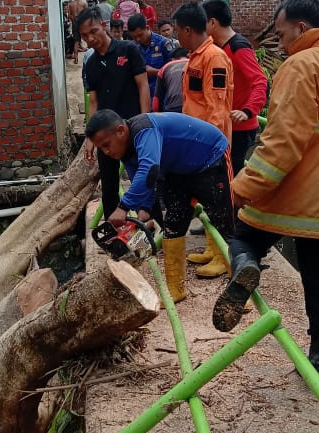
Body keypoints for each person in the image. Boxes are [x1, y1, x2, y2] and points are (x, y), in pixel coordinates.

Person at [213, 0, 319, 391]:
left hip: (293, 192)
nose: (282, 43)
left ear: (302, 28)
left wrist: (242, 188)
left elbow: (284, 140)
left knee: (240, 234)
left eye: (284, 34)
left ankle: (245, 266)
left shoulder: (302, 64)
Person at [85, 109, 234, 303]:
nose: (107, 152)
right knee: (173, 224)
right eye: (101, 149)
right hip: (178, 169)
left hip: (210, 158)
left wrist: (123, 206)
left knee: (224, 222)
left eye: (106, 145)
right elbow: (145, 178)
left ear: (120, 130)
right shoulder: (125, 149)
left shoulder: (143, 130)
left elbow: (149, 168)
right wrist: (143, 211)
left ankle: (240, 294)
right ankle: (175, 290)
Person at [172, 0, 234, 278]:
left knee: (220, 203)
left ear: (187, 29)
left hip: (210, 147)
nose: (175, 36)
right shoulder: (196, 57)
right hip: (195, 144)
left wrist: (210, 148)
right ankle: (212, 248)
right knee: (205, 201)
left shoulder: (214, 58)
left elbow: (217, 107)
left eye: (177, 30)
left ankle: (224, 256)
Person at [79, 6, 150, 222]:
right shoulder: (90, 64)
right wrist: (90, 138)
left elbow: (143, 86)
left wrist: (146, 120)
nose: (90, 38)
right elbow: (93, 102)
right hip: (105, 133)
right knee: (109, 183)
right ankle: (112, 232)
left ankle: (146, 226)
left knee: (142, 176)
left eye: (93, 31)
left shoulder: (128, 50)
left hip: (132, 127)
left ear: (103, 25)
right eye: (84, 36)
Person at [204, 0, 269, 176]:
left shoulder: (238, 48)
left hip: (240, 127)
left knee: (231, 176)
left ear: (212, 22)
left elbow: (260, 81)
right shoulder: (217, 48)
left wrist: (247, 111)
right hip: (226, 125)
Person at [127, 13, 173, 99]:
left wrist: (156, 72)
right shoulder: (132, 47)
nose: (138, 39)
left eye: (140, 35)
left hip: (161, 94)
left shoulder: (163, 43)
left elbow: (174, 71)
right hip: (140, 95)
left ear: (148, 28)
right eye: (134, 37)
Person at [153, 47, 189, 113]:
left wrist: (158, 115)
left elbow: (157, 99)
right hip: (193, 108)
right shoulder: (195, 63)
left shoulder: (165, 67)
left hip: (173, 108)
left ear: (172, 59)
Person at [66, 0, 87, 64]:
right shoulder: (84, 4)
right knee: (88, 38)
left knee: (76, 41)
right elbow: (86, 14)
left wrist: (74, 20)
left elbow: (69, 16)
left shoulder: (71, 4)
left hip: (75, 23)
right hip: (82, 23)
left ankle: (76, 59)